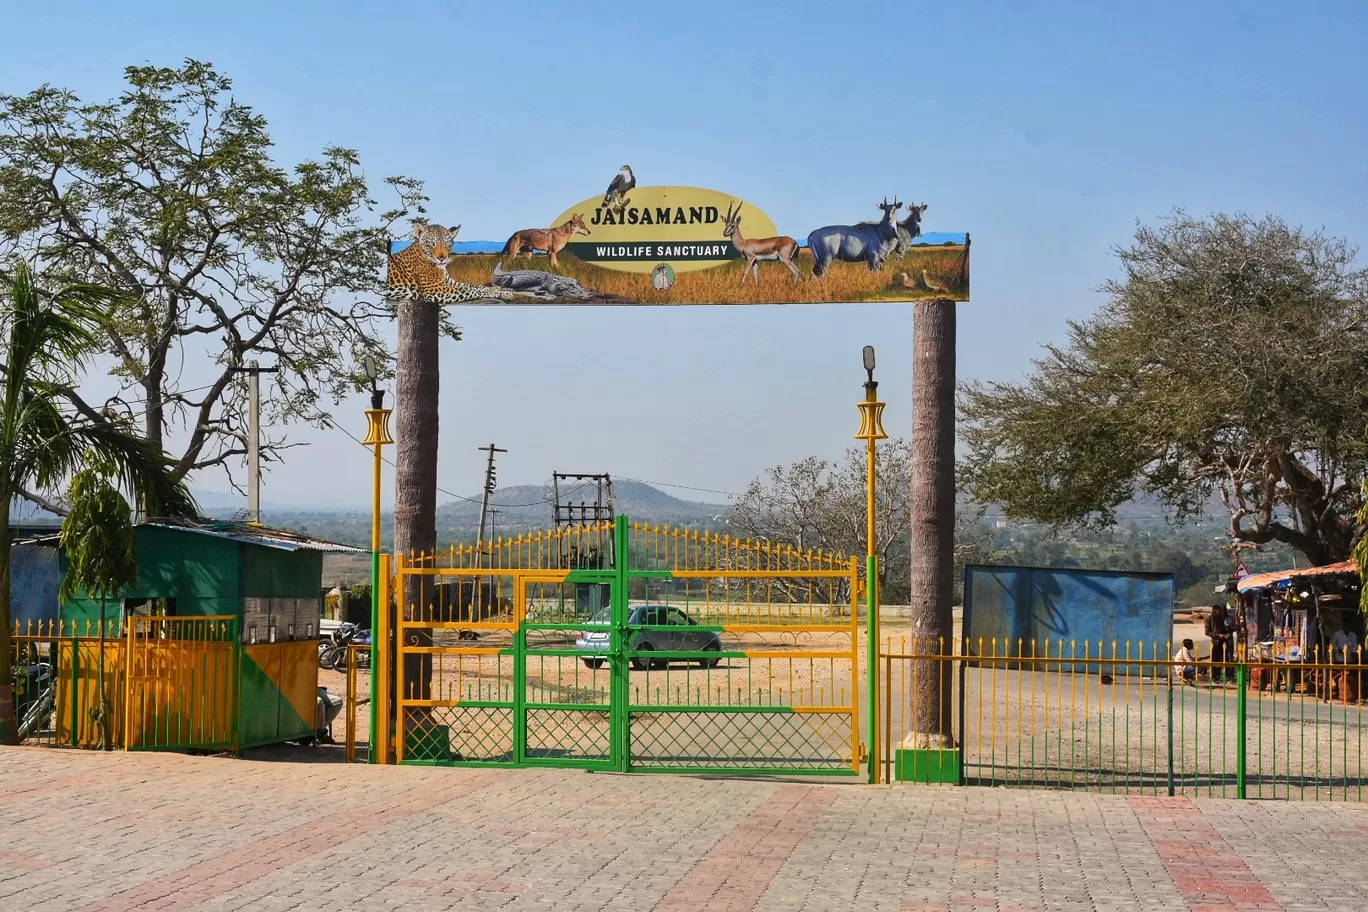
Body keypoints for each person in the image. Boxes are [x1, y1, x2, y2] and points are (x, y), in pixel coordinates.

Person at [1205, 604, 1234, 683]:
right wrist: (1217, 635)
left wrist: (1227, 634)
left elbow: (1225, 629)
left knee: (1227, 659)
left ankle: (1229, 677)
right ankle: (1215, 677)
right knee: (1215, 660)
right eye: (1218, 611)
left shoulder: (1221, 618)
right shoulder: (1209, 619)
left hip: (1224, 642)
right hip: (1216, 642)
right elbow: (1207, 632)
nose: (1219, 612)